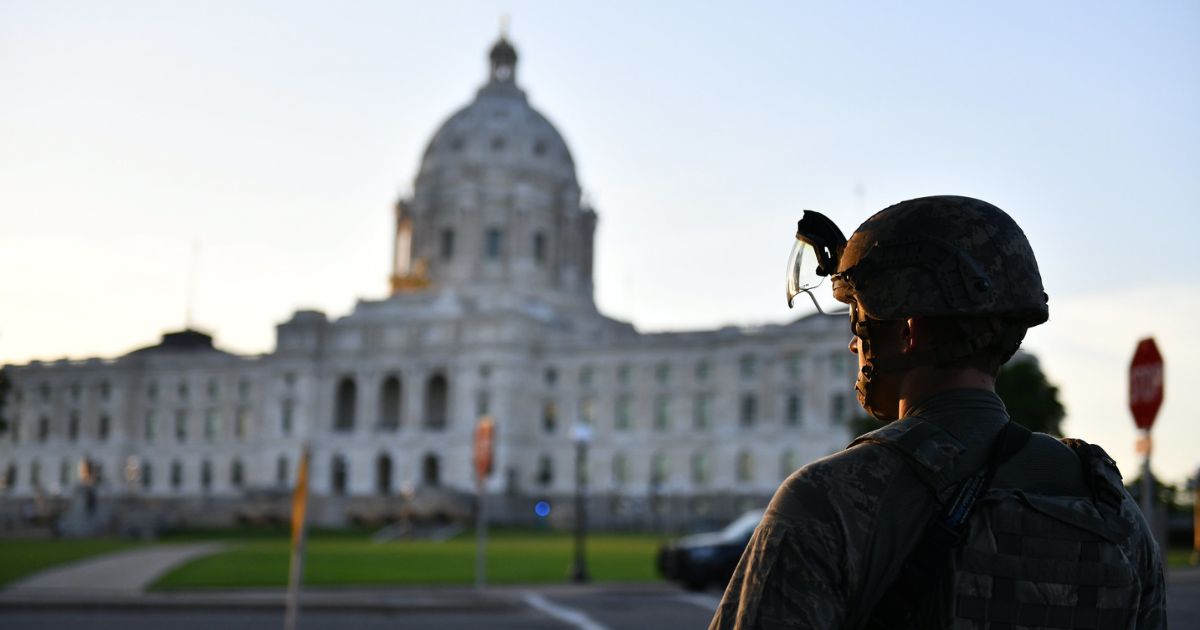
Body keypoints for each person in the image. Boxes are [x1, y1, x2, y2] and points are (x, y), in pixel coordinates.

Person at [711, 195, 1166, 629]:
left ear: (908, 331)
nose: (854, 344)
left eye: (860, 322)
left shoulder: (829, 499)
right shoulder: (1112, 508)